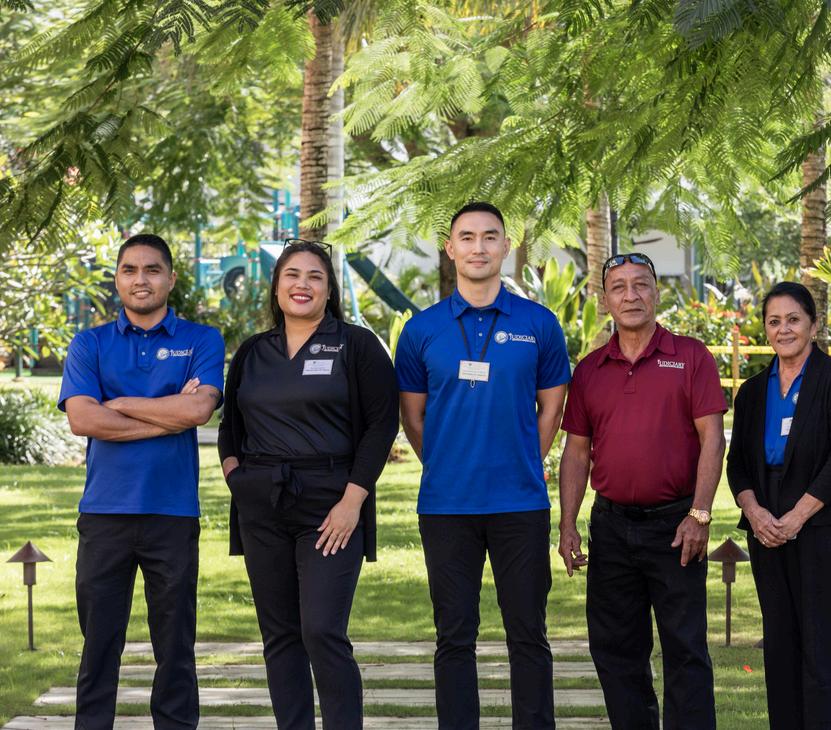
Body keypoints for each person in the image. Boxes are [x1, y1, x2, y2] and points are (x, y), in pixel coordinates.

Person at [394, 202, 570, 730]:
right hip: (446, 505)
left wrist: (524, 460)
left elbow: (552, 407)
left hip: (520, 502)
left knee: (528, 635)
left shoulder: (539, 324)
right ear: (450, 249)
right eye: (467, 237)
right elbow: (412, 416)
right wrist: (445, 463)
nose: (479, 247)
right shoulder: (421, 330)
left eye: (490, 236)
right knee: (453, 636)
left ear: (506, 246)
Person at [217, 240, 399, 730]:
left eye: (315, 276)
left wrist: (352, 501)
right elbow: (230, 426)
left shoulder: (356, 345)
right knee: (279, 635)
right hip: (262, 502)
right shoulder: (253, 351)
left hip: (331, 502)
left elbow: (382, 425)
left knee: (321, 630)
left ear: (330, 289)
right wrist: (237, 477)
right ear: (276, 288)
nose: (303, 285)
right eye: (292, 275)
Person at [59, 234, 225, 730]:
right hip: (104, 513)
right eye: (129, 269)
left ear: (171, 279)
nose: (140, 279)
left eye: (152, 270)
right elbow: (84, 420)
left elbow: (198, 409)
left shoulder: (202, 339)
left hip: (172, 513)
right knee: (98, 643)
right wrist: (168, 415)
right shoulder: (90, 344)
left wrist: (120, 403)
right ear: (117, 279)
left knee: (175, 645)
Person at [558, 252, 726, 730]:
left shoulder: (690, 356)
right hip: (610, 528)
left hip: (676, 526)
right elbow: (576, 453)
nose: (630, 295)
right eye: (619, 287)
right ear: (605, 299)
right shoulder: (589, 370)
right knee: (616, 650)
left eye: (641, 285)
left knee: (685, 650)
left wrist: (699, 514)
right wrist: (568, 525)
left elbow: (713, 439)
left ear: (657, 292)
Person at [725, 281, 831, 729]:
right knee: (779, 647)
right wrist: (756, 514)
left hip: (821, 529)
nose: (783, 329)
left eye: (793, 320)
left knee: (819, 650)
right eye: (774, 321)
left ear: (813, 325)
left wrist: (797, 517)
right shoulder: (751, 391)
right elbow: (737, 464)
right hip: (767, 531)